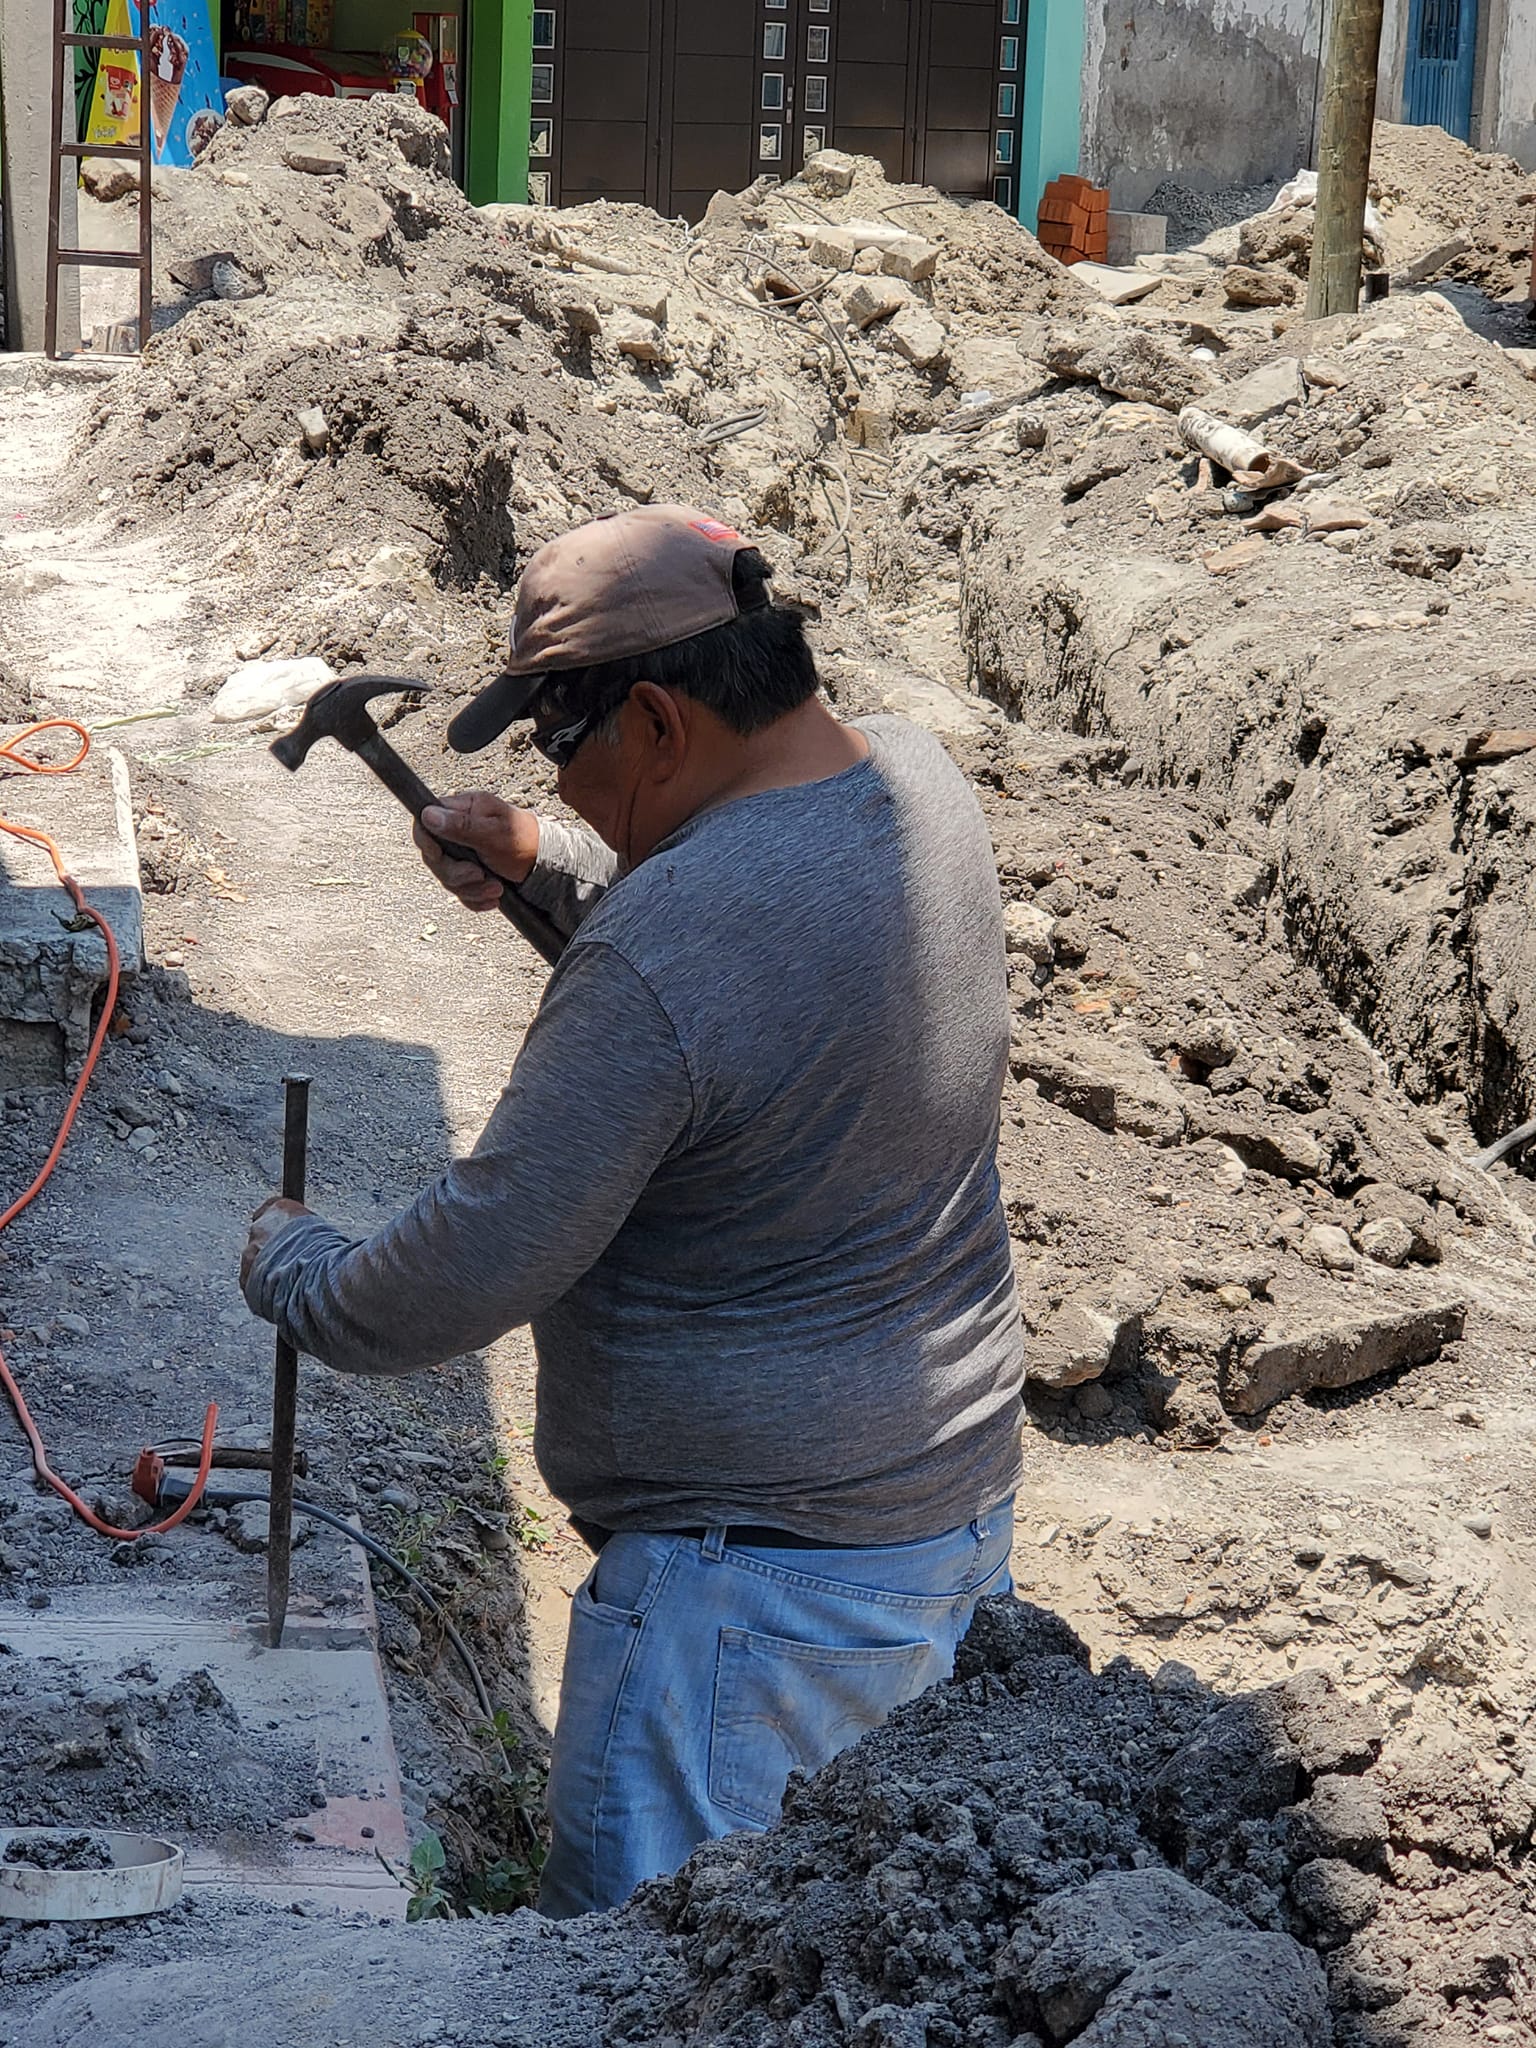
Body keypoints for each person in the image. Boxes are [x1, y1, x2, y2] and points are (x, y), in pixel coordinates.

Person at [241, 504, 1025, 1917]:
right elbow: (751, 965)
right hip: (931, 1524)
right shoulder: (916, 786)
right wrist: (548, 860)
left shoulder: (663, 957)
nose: (563, 776)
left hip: (749, 1621)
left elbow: (471, 1267)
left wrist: (297, 1267)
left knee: (653, 1991)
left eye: (560, 740)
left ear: (659, 721)